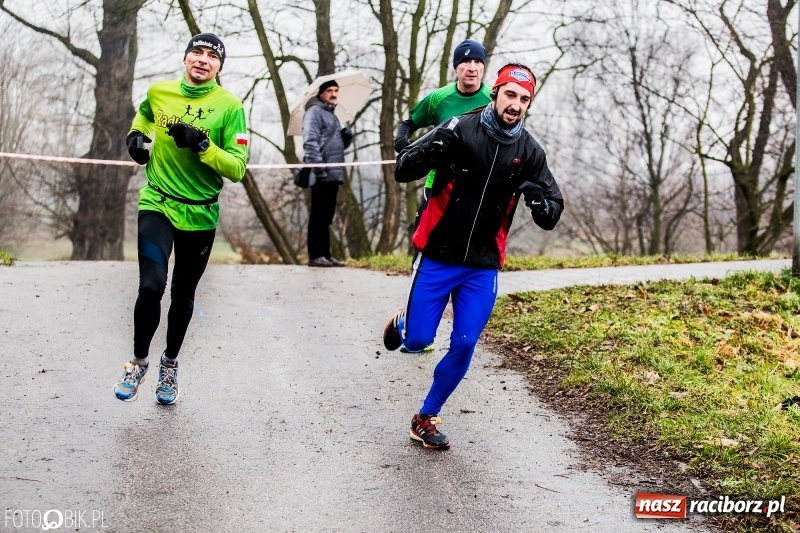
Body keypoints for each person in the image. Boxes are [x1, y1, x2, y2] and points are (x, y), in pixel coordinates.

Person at [382, 63, 564, 449]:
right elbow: (402, 168)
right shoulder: (458, 128)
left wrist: (539, 203)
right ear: (495, 92)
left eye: (524, 99)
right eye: (510, 95)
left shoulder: (530, 151)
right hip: (439, 254)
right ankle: (404, 325)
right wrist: (431, 152)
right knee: (417, 341)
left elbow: (553, 208)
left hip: (482, 264)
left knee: (464, 343)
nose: (515, 105)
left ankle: (426, 416)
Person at [113, 33, 248, 405]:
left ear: (220, 66)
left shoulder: (230, 106)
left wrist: (203, 145)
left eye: (211, 56)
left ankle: (169, 364)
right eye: (196, 52)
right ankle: (138, 361)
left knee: (182, 294)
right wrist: (136, 138)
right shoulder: (160, 92)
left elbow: (237, 168)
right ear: (186, 58)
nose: (202, 60)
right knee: (151, 286)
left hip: (201, 210)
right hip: (157, 200)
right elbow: (143, 115)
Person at [302, 79, 355, 267]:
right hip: (321, 173)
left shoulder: (332, 115)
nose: (333, 94)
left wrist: (346, 139)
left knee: (327, 215)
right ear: (321, 93)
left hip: (333, 173)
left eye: (336, 90)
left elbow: (335, 146)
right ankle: (315, 255)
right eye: (329, 90)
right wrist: (319, 169)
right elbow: (310, 142)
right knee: (318, 214)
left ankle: (326, 254)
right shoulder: (314, 112)